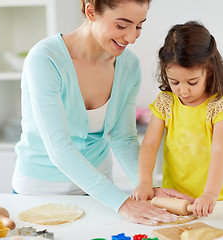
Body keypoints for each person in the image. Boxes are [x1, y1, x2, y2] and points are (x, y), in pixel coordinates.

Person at [12, 0, 193, 226]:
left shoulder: (129, 66)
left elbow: (124, 138)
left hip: (99, 192)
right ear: (91, 11)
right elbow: (59, 148)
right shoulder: (45, 59)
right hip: (40, 190)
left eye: (138, 26)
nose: (132, 37)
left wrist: (146, 186)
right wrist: (122, 203)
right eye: (121, 25)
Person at [131, 21, 223, 217]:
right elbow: (149, 145)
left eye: (192, 82)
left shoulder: (219, 106)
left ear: (210, 70)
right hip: (175, 200)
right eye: (174, 82)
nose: (183, 90)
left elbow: (219, 152)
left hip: (217, 200)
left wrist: (209, 195)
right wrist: (144, 182)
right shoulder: (165, 103)